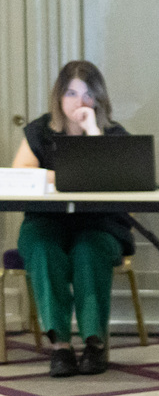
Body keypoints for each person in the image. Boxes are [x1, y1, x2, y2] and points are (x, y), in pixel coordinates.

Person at [11, 61, 134, 377]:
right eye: (71, 93)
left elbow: (119, 178)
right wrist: (72, 176)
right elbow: (21, 173)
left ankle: (94, 343)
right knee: (43, 250)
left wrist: (92, 131)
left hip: (99, 225)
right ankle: (60, 347)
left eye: (88, 94)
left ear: (99, 98)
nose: (80, 101)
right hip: (46, 223)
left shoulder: (113, 134)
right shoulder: (40, 131)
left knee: (88, 251)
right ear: (59, 96)